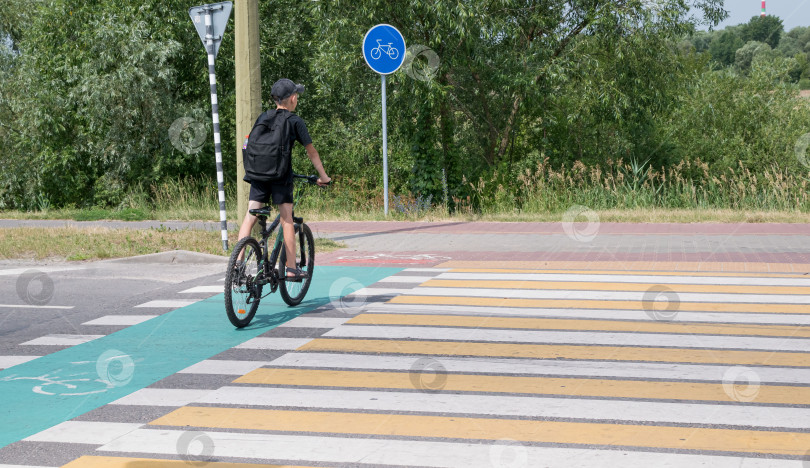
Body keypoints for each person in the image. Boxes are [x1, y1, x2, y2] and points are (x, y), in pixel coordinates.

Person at [237, 78, 330, 279]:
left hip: (257, 175)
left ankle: (237, 265)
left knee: (250, 216)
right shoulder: (295, 121)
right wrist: (323, 177)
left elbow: (248, 144)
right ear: (293, 98)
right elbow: (312, 152)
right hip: (280, 177)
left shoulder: (263, 117)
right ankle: (290, 268)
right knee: (287, 219)